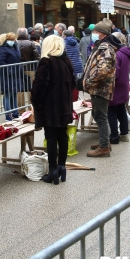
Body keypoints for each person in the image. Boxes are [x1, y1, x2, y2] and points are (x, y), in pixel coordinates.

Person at [30, 35, 75, 184]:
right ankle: (62, 167)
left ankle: (53, 170)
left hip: (50, 107)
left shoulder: (46, 62)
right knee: (62, 135)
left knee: (51, 138)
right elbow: (73, 83)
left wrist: (36, 104)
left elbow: (38, 88)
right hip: (64, 105)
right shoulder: (66, 61)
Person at [83, 18, 119, 158]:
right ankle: (104, 141)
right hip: (98, 87)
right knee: (98, 115)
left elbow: (103, 70)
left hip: (100, 88)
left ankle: (104, 146)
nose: (94, 33)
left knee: (100, 116)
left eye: (96, 31)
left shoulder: (105, 48)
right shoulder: (100, 45)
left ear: (103, 33)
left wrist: (90, 82)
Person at [108, 32, 130, 144]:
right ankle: (124, 133)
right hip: (123, 84)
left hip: (116, 85)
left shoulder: (117, 54)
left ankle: (114, 136)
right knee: (121, 109)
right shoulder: (125, 52)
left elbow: (115, 73)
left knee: (111, 111)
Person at [0, 32, 24, 120]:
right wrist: (9, 70)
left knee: (14, 93)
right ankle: (8, 114)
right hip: (7, 74)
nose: (12, 41)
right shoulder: (3, 48)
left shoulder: (15, 47)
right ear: (6, 40)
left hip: (15, 73)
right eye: (10, 40)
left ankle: (15, 112)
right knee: (8, 94)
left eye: (13, 39)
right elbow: (1, 61)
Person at [63, 28, 84, 101]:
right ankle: (75, 101)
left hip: (69, 66)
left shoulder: (63, 42)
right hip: (78, 65)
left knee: (68, 85)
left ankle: (70, 102)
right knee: (76, 85)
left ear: (64, 36)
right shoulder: (76, 42)